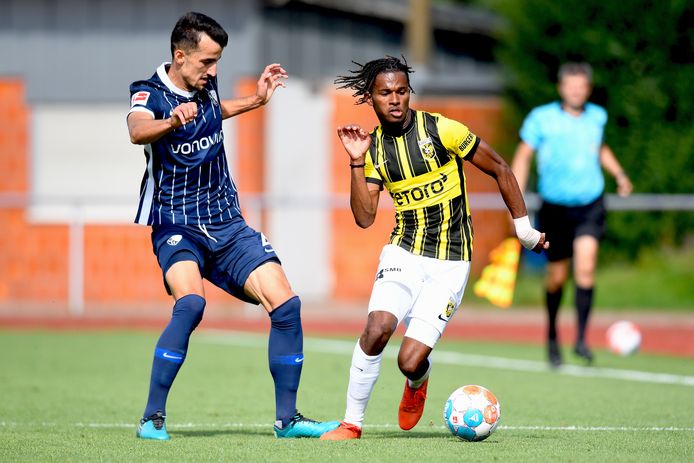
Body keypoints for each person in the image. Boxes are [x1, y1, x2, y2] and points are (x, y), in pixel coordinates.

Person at [127, 11, 339, 440]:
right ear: (180, 55)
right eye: (206, 61)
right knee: (191, 303)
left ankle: (287, 421)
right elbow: (137, 130)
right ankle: (152, 419)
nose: (213, 70)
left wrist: (256, 100)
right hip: (176, 222)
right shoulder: (149, 92)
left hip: (226, 221)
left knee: (286, 305)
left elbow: (214, 112)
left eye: (217, 61)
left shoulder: (206, 84)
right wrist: (172, 121)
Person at [320, 56, 548, 441]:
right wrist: (356, 162)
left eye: (401, 91)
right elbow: (364, 217)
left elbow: (500, 169)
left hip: (451, 261)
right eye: (385, 93)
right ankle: (351, 424)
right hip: (404, 251)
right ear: (370, 98)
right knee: (378, 328)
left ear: (410, 92)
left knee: (409, 360)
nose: (395, 99)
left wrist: (524, 230)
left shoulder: (442, 130)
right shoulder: (373, 149)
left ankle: (418, 380)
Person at [510, 62, 633, 368]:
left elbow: (599, 149)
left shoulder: (597, 117)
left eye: (581, 86)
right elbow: (523, 157)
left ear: (588, 89)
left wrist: (619, 174)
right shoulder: (542, 118)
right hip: (555, 208)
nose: (576, 91)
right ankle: (552, 334)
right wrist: (516, 201)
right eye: (571, 86)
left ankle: (581, 339)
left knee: (586, 267)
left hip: (590, 204)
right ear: (561, 88)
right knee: (557, 277)